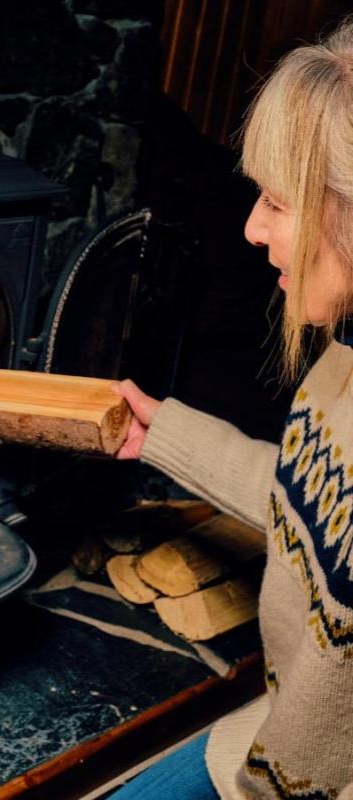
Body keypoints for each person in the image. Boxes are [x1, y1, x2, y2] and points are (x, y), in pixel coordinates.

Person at [109, 18, 353, 800]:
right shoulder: (342, 364)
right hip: (268, 748)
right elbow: (311, 508)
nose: (252, 229)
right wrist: (164, 434)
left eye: (278, 204)